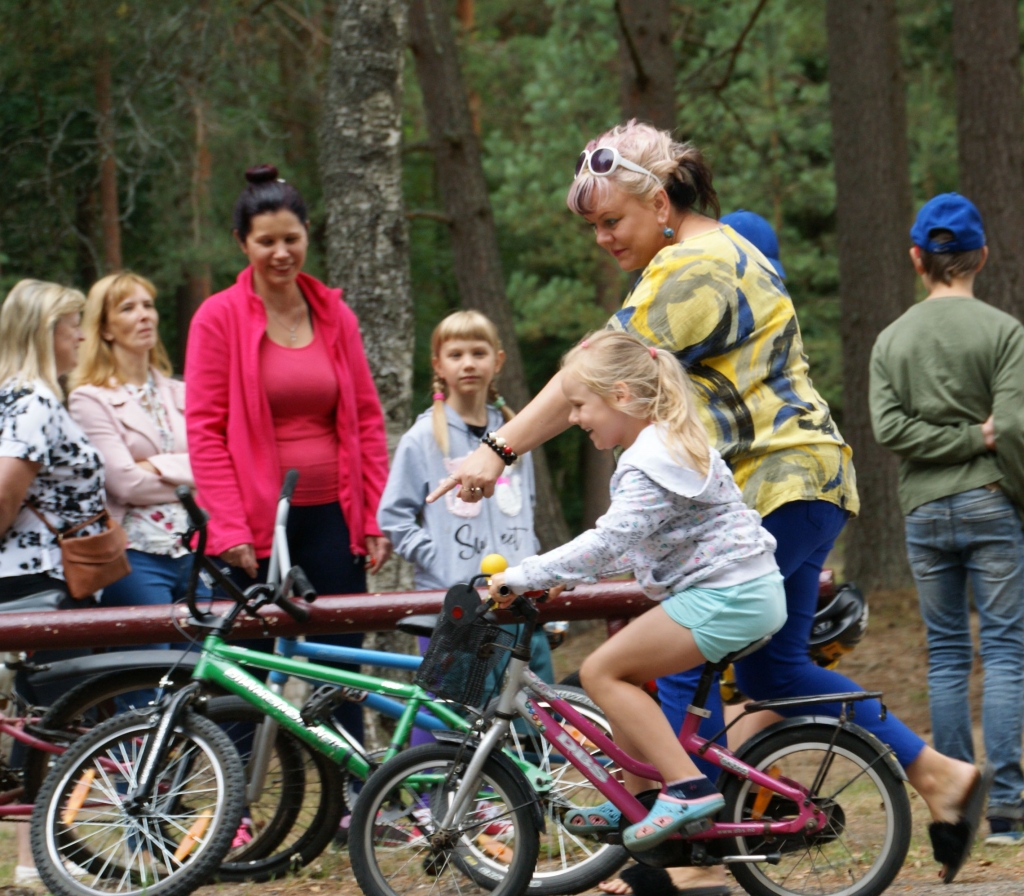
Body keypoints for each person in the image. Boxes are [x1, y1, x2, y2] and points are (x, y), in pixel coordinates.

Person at [432, 121, 985, 888]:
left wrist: (494, 453)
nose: (602, 238)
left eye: (611, 221)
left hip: (780, 483)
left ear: (659, 200)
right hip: (785, 483)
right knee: (719, 670)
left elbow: (587, 378)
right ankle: (693, 836)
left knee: (762, 670)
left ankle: (915, 778)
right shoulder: (721, 247)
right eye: (591, 227)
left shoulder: (691, 268)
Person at [487, 330, 786, 849]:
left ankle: (686, 787)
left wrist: (522, 575)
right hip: (738, 590)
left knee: (604, 671)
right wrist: (563, 576)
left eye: (580, 405)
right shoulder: (665, 443)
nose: (574, 418)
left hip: (728, 593)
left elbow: (608, 543)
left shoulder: (649, 460)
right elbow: (638, 543)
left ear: (622, 396)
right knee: (622, 675)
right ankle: (640, 799)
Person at [185, 164, 391, 747]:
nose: (281, 253)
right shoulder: (217, 318)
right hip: (253, 524)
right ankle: (237, 800)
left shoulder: (334, 314)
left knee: (340, 657)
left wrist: (371, 516)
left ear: (307, 234)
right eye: (266, 241)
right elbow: (204, 430)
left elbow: (367, 421)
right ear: (242, 244)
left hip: (332, 513)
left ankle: (355, 789)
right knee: (245, 659)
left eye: (291, 238)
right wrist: (227, 526)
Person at [870, 192, 1024, 845]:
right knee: (1006, 650)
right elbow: (1011, 427)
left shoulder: (891, 339)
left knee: (947, 654)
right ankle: (1009, 810)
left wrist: (948, 442)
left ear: (916, 260)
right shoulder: (1004, 332)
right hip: (993, 501)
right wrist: (982, 447)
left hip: (924, 509)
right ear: (981, 257)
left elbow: (889, 429)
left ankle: (957, 792)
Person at [377, 309, 554, 702]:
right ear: (438, 364)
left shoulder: (517, 433)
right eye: (456, 355)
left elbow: (526, 508)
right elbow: (394, 515)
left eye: (479, 352)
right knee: (457, 721)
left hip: (515, 599)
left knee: (526, 718)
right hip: (458, 606)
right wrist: (439, 560)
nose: (469, 363)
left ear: (498, 360)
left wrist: (532, 564)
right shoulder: (422, 437)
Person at [0, 279, 104, 883]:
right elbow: (6, 498)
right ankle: (35, 858)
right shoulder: (34, 401)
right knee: (52, 716)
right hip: (37, 579)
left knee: (53, 714)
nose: (82, 338)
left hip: (40, 577)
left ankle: (48, 848)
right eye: (74, 327)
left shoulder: (16, 397)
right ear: (47, 333)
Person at [69, 272, 201, 644]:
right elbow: (123, 482)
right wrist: (185, 468)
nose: (144, 315)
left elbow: (215, 464)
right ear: (106, 329)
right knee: (148, 678)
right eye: (128, 308)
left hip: (198, 551)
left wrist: (153, 467)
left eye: (148, 305)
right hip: (135, 557)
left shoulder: (183, 392)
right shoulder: (88, 398)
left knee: (202, 678)